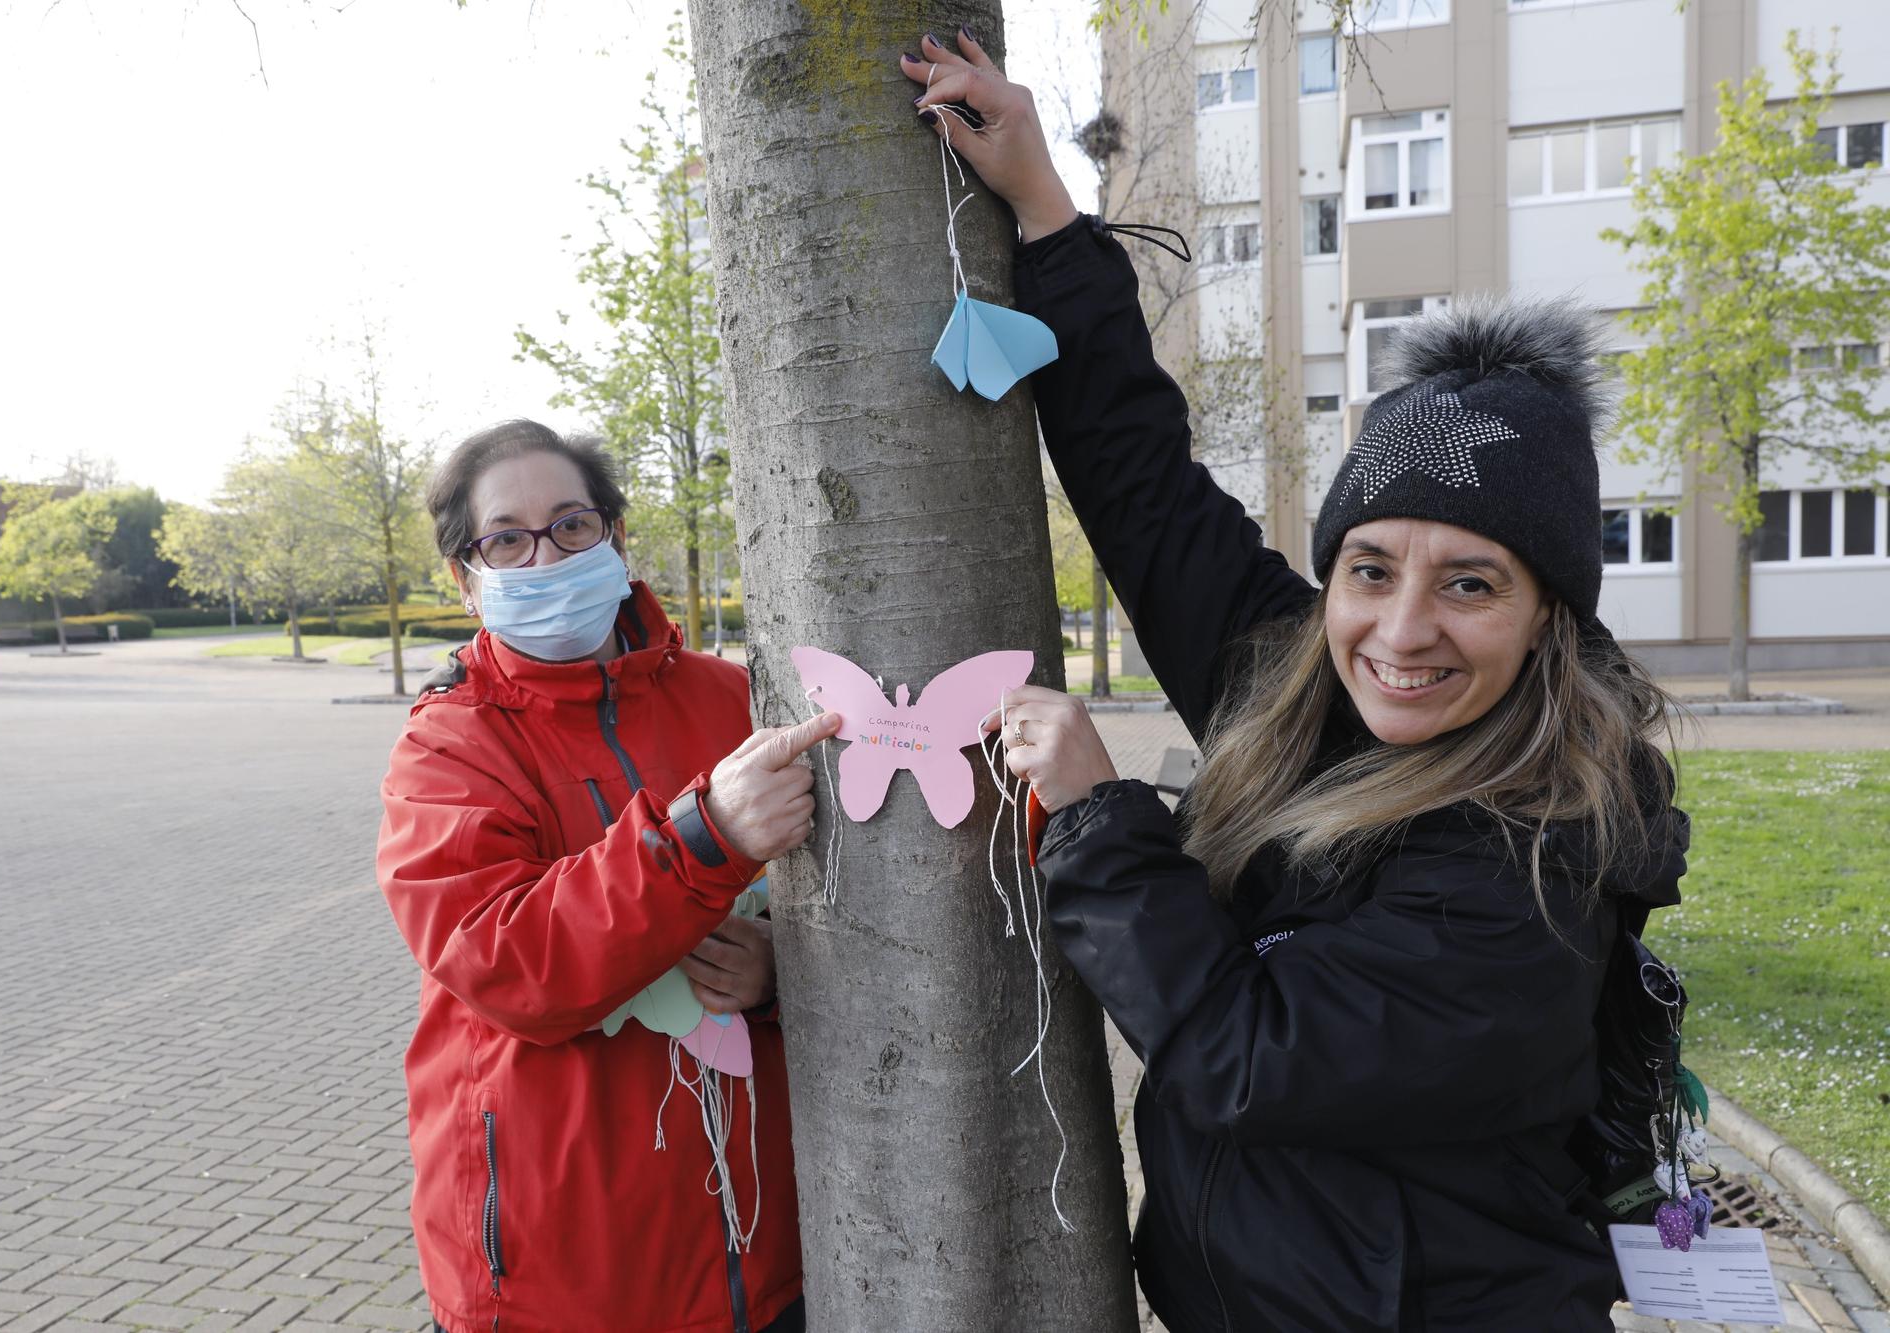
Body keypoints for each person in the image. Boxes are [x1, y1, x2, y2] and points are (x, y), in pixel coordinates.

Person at [907, 32, 1691, 1332]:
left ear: (1551, 611)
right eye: (1371, 568)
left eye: (1473, 583)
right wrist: (1046, 210)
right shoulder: (1301, 680)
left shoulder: (1542, 853)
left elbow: (1245, 1052)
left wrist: (1104, 820)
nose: (1403, 628)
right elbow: (1144, 486)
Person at [376, 420, 834, 1333]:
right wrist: (706, 838)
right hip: (565, 1278)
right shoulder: (445, 747)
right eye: (507, 537)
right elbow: (510, 964)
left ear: (616, 538)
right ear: (469, 577)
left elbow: (834, 908)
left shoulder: (730, 699)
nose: (545, 556)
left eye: (572, 524)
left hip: (767, 1255)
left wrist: (780, 970)